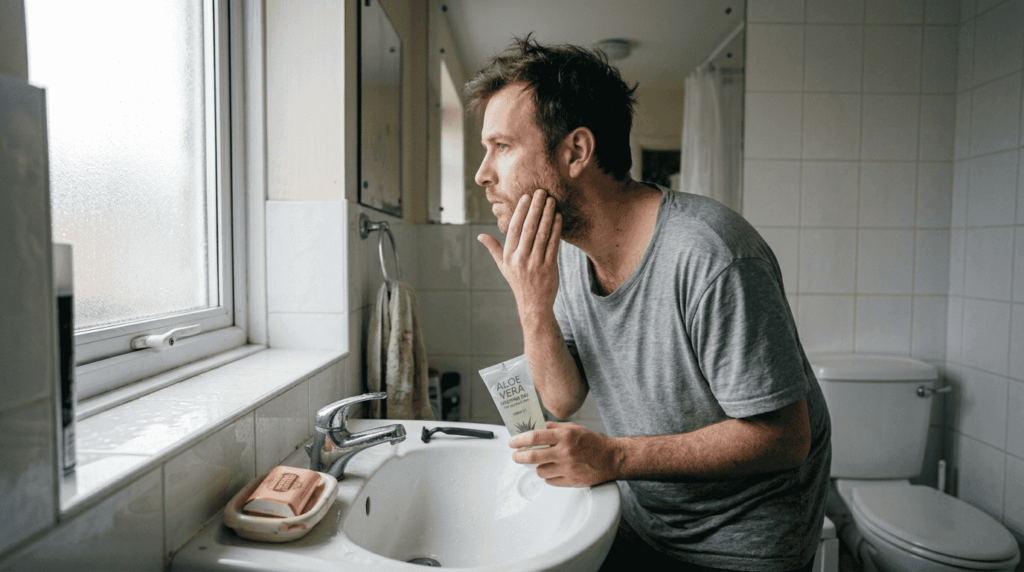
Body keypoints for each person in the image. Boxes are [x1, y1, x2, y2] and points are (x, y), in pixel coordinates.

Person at [466, 36, 832, 572]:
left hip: (742, 544)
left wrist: (614, 457)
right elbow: (562, 398)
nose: (483, 173)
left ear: (576, 152)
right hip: (644, 517)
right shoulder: (567, 251)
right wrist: (532, 305)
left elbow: (785, 438)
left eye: (501, 146)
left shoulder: (711, 254)